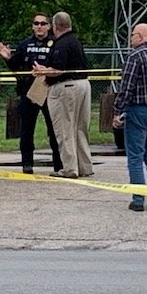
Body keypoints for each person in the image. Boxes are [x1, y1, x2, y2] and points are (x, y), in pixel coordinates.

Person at [0, 13, 62, 174]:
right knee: (26, 129)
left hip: (49, 90)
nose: (39, 26)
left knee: (54, 129)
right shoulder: (25, 44)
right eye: (36, 23)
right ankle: (27, 163)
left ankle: (59, 164)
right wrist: (7, 58)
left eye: (43, 23)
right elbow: (15, 65)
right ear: (32, 26)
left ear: (48, 26)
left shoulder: (56, 44)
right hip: (28, 91)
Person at [112, 23, 147, 212]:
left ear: (141, 37)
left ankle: (138, 200)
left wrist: (118, 111)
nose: (130, 39)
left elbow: (126, 88)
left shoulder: (134, 57)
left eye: (132, 35)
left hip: (138, 110)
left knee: (135, 156)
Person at [32, 11, 93, 179]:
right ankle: (85, 166)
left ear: (55, 25)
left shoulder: (61, 44)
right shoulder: (76, 42)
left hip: (66, 88)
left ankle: (69, 168)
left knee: (65, 128)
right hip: (83, 85)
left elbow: (58, 70)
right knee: (80, 128)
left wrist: (42, 71)